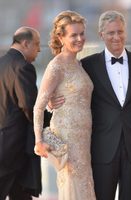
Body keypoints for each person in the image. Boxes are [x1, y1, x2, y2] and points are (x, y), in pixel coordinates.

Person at [50, 10, 131, 200]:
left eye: (120, 31)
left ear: (125, 31)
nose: (116, 37)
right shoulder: (87, 65)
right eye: (111, 33)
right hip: (101, 147)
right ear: (102, 35)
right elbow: (73, 95)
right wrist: (51, 102)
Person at [33, 11, 96, 200]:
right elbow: (38, 106)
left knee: (84, 185)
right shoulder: (56, 66)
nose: (80, 39)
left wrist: (53, 103)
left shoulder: (78, 64)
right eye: (73, 35)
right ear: (60, 37)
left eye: (82, 33)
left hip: (84, 139)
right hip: (67, 139)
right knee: (73, 186)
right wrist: (39, 141)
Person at [0, 27, 41, 199]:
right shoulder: (24, 67)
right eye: (37, 44)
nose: (39, 49)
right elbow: (29, 106)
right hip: (15, 148)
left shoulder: (2, 62)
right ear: (25, 43)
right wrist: (49, 124)